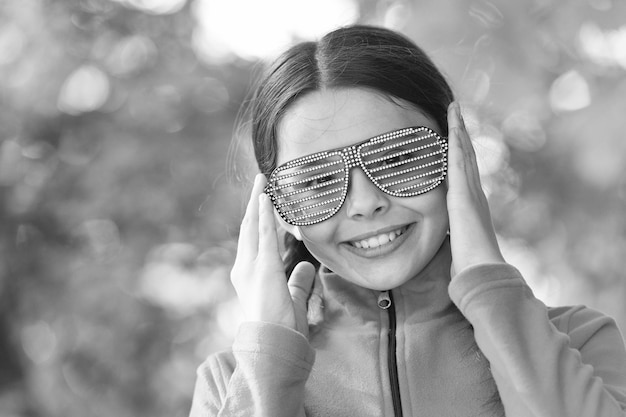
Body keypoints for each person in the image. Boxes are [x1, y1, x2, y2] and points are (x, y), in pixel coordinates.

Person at [189, 25, 626, 417]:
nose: (365, 203)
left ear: (460, 157)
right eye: (318, 181)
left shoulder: (577, 341)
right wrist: (270, 360)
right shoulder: (231, 383)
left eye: (397, 157)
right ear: (277, 209)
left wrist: (489, 284)